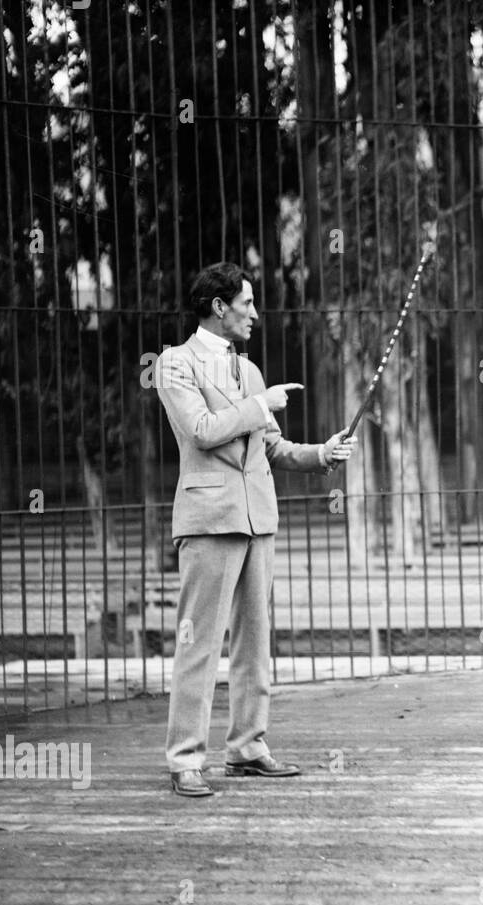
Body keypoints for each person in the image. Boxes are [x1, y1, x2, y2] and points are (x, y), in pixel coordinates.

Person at [155, 262, 357, 797]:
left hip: (257, 520)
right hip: (208, 523)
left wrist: (321, 453)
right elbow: (201, 431)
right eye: (246, 304)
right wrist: (258, 405)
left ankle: (247, 748)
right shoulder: (175, 365)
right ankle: (184, 759)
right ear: (219, 307)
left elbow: (270, 447)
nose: (255, 314)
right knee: (199, 643)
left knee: (254, 641)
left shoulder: (250, 370)